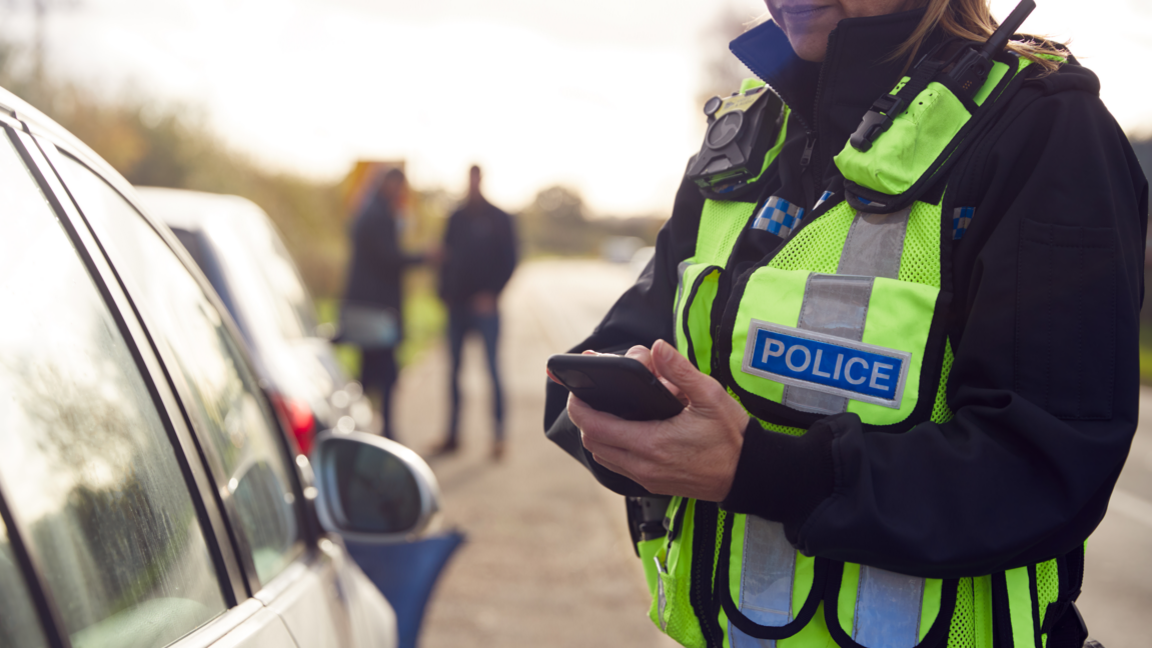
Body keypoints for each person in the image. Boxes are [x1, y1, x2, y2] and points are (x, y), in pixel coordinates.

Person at [543, 1, 1147, 647]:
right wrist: (621, 425)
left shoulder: (1045, 126)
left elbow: (1043, 472)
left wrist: (762, 471)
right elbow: (616, 344)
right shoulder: (749, 127)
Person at [436, 165, 518, 459]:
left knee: (492, 370)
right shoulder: (456, 217)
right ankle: (453, 434)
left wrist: (492, 294)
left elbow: (511, 261)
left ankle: (498, 437)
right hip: (457, 307)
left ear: (481, 180)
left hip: (485, 308)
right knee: (453, 372)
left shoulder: (499, 218)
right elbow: (444, 256)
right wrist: (442, 294)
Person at [342, 167, 423, 440]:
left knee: (371, 372)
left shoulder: (371, 210)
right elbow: (389, 258)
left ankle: (363, 430)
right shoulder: (378, 215)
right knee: (383, 374)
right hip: (375, 311)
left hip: (370, 308)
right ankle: (381, 432)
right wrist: (424, 257)